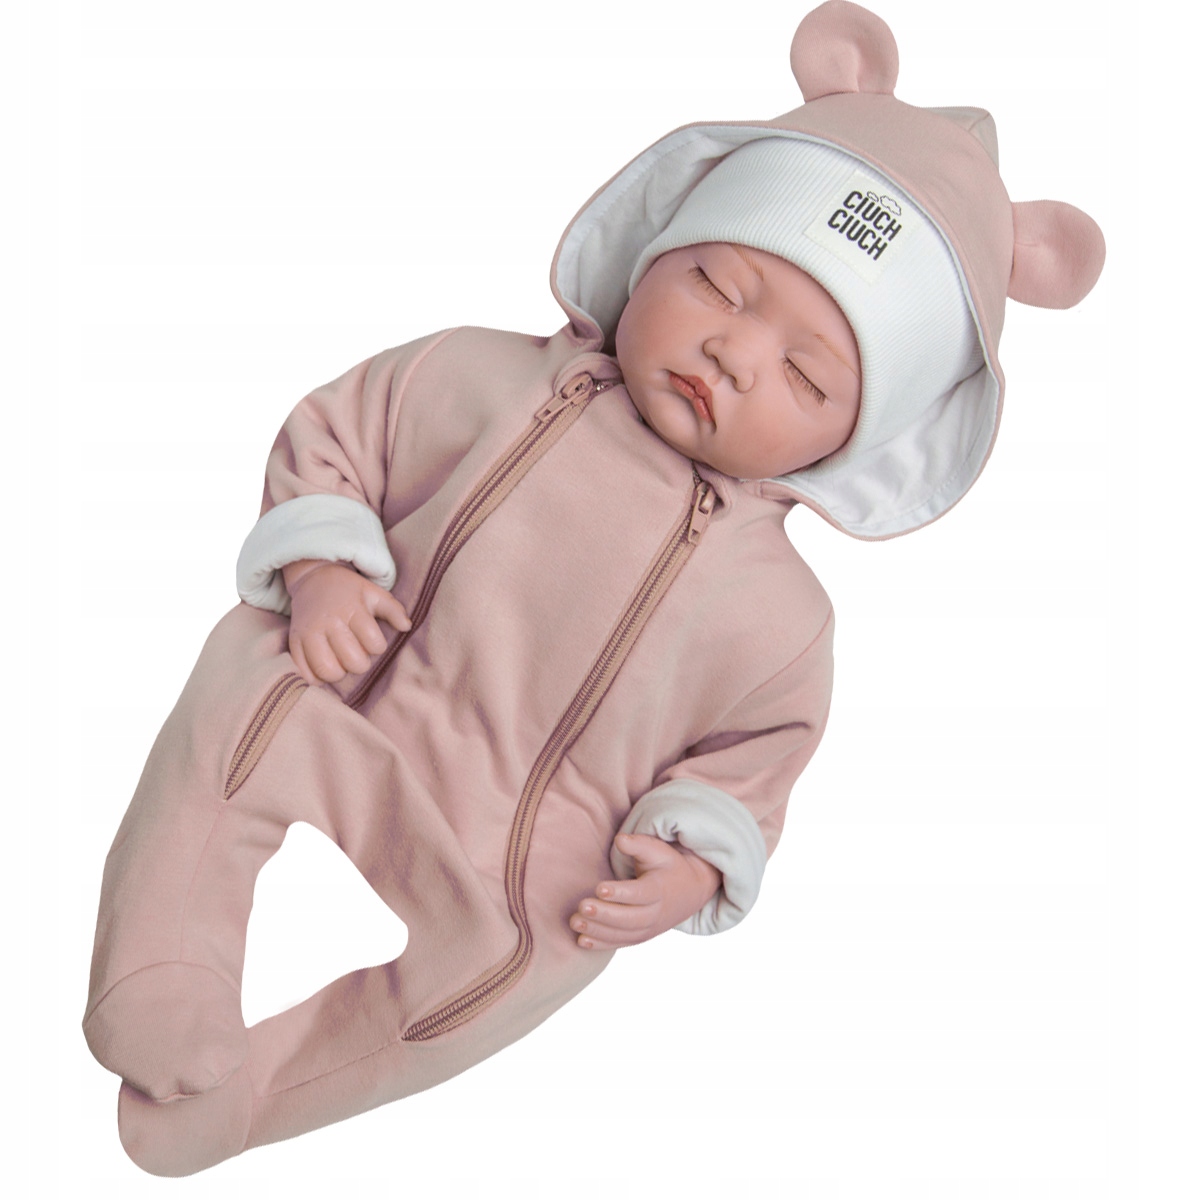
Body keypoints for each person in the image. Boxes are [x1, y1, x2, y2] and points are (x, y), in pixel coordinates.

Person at [82, 1, 1104, 1177]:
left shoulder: (780, 620)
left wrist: (692, 864)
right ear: (659, 248)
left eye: (805, 373)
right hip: (354, 675)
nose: (733, 353)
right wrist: (320, 568)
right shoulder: (482, 377)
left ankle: (254, 1095)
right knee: (241, 690)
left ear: (850, 443)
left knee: (517, 967)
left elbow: (752, 759)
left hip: (523, 836)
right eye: (719, 286)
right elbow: (340, 433)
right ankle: (161, 968)